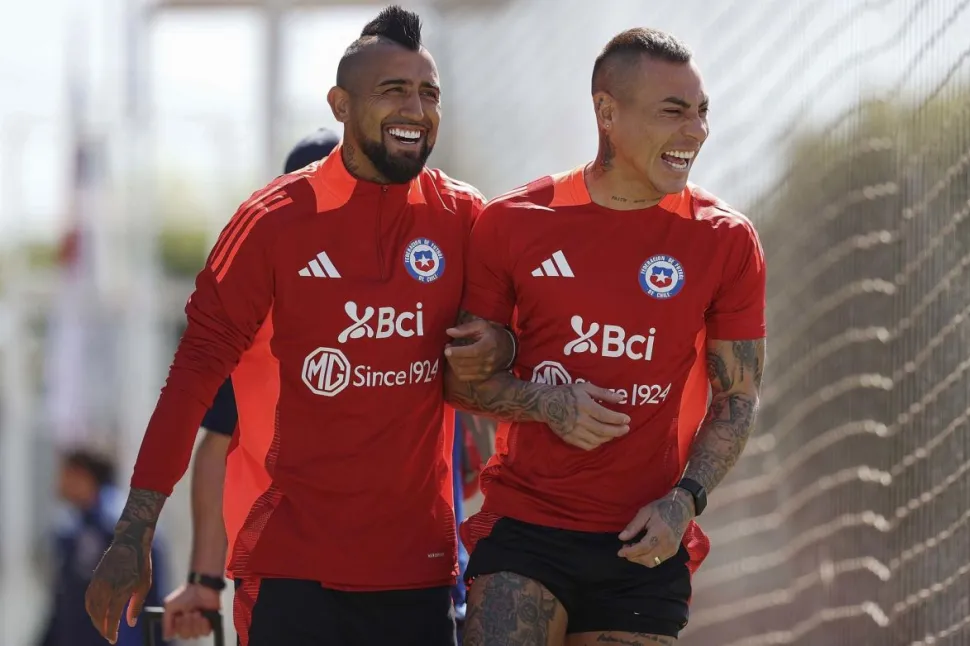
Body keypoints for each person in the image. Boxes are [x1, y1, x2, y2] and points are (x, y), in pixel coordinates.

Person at [84, 7, 514, 646]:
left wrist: (499, 344)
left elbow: (517, 346)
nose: (416, 108)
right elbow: (193, 385)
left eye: (429, 93)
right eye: (393, 90)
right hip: (291, 573)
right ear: (340, 104)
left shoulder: (466, 217)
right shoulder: (271, 223)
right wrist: (135, 530)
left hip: (420, 576)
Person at [445, 28, 767, 646]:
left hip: (643, 542)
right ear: (607, 113)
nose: (696, 131)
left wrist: (685, 501)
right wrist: (550, 404)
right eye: (673, 112)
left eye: (702, 112)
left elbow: (738, 399)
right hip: (526, 529)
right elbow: (458, 384)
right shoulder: (514, 223)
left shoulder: (725, 239)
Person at [160, 128, 341, 643]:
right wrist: (203, 578)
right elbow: (219, 444)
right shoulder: (260, 312)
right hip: (285, 571)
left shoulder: (410, 295)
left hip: (402, 572)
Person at [36, 449, 167, 646]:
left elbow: (150, 599)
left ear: (82, 476)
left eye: (64, 474)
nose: (58, 483)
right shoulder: (77, 526)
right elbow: (65, 604)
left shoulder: (111, 526)